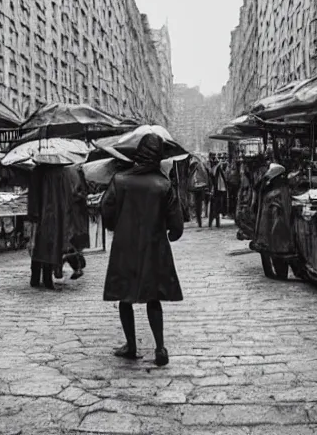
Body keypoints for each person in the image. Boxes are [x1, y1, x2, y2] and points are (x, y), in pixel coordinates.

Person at [102, 133, 184, 367]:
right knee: (153, 296)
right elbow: (175, 223)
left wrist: (115, 225)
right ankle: (159, 347)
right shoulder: (164, 184)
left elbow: (106, 210)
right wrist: (172, 233)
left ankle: (131, 345)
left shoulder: (120, 180)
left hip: (125, 245)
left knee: (125, 297)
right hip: (154, 246)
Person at [27, 159, 88, 289]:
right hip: (58, 216)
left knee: (40, 246)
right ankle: (47, 278)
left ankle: (36, 277)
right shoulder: (64, 172)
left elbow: (33, 200)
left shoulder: (37, 172)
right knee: (52, 246)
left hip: (43, 215)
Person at [250, 163, 300, 280]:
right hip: (274, 227)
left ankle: (274, 273)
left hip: (266, 226)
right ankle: (278, 273)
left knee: (269, 251)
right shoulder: (278, 191)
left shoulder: (267, 187)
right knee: (278, 252)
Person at [187, 155, 210, 227]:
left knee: (198, 206)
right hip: (196, 189)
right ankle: (198, 220)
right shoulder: (194, 171)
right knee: (197, 206)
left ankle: (199, 221)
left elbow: (205, 178)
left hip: (200, 189)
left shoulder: (201, 170)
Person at [209, 156, 228, 228]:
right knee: (216, 207)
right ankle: (216, 223)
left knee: (214, 207)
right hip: (217, 190)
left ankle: (214, 223)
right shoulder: (217, 170)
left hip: (216, 190)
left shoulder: (214, 169)